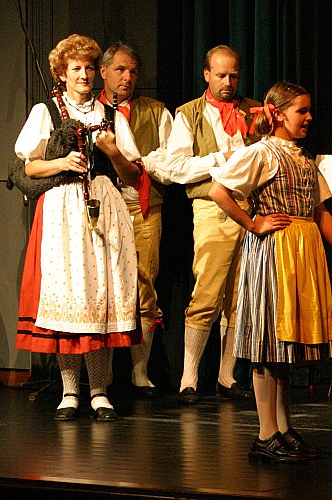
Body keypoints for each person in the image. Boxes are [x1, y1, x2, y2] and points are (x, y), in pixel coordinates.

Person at [208, 81, 332, 461]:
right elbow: (219, 191)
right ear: (277, 113)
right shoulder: (262, 153)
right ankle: (265, 436)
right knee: (268, 344)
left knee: (284, 350)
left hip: (304, 248)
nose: (309, 117)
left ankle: (282, 427)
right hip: (275, 250)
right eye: (302, 110)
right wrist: (253, 223)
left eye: (309, 110)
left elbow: (320, 210)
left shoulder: (302, 157)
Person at [14, 34, 143, 422]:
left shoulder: (111, 116)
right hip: (61, 209)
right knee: (70, 297)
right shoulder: (46, 112)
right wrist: (62, 162)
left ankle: (99, 391)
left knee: (100, 297)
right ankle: (70, 391)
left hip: (103, 207)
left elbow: (132, 175)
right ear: (61, 73)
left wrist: (112, 151)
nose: (84, 75)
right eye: (76, 68)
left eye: (89, 67)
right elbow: (29, 167)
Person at [144, 45, 258, 403]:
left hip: (251, 208)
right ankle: (189, 378)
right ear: (206, 75)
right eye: (221, 75)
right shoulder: (189, 115)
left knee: (240, 296)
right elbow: (176, 168)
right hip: (212, 207)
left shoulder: (253, 111)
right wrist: (219, 159)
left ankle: (227, 376)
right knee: (206, 292)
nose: (228, 82)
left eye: (233, 75)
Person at [99, 41, 173, 397]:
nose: (127, 77)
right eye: (120, 70)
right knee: (107, 288)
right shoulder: (86, 110)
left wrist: (145, 164)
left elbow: (172, 160)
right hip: (101, 210)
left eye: (132, 71)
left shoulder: (155, 111)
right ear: (104, 72)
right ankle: (105, 375)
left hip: (145, 207)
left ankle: (139, 372)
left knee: (145, 284)